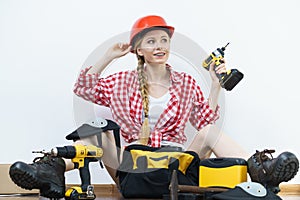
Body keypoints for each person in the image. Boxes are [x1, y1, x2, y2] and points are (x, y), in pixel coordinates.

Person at [9, 15, 299, 199]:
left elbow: (205, 121)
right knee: (94, 131)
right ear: (138, 49)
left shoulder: (186, 82)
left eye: (163, 39)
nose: (160, 45)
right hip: (133, 170)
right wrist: (108, 57)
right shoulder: (121, 81)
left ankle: (260, 169)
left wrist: (213, 84)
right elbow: (83, 89)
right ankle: (53, 168)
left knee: (211, 129)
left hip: (176, 166)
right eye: (151, 40)